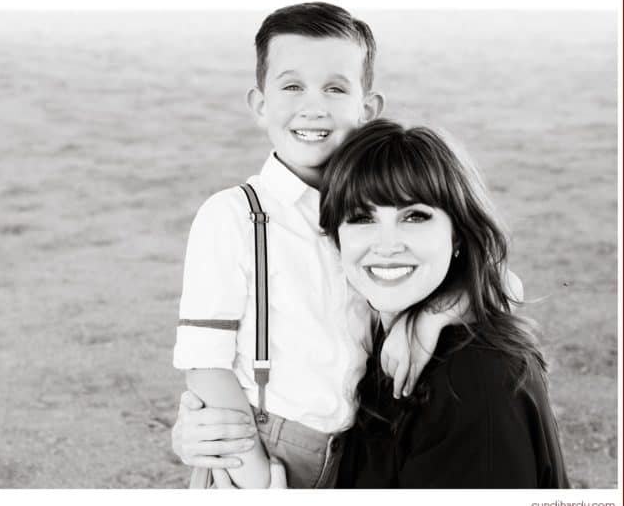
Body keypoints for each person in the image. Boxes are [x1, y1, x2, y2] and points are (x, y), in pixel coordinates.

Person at [173, 3, 467, 489]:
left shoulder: (375, 213)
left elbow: (499, 284)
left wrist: (432, 316)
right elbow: (206, 365)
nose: (314, 106)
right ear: (260, 104)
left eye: (336, 88)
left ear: (367, 110)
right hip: (264, 453)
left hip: (355, 446)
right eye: (292, 86)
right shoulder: (233, 216)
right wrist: (259, 482)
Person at [208, 118, 569, 487]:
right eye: (362, 217)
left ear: (458, 235)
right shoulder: (372, 335)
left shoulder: (476, 382)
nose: (386, 244)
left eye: (414, 216)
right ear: (336, 239)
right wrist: (207, 429)